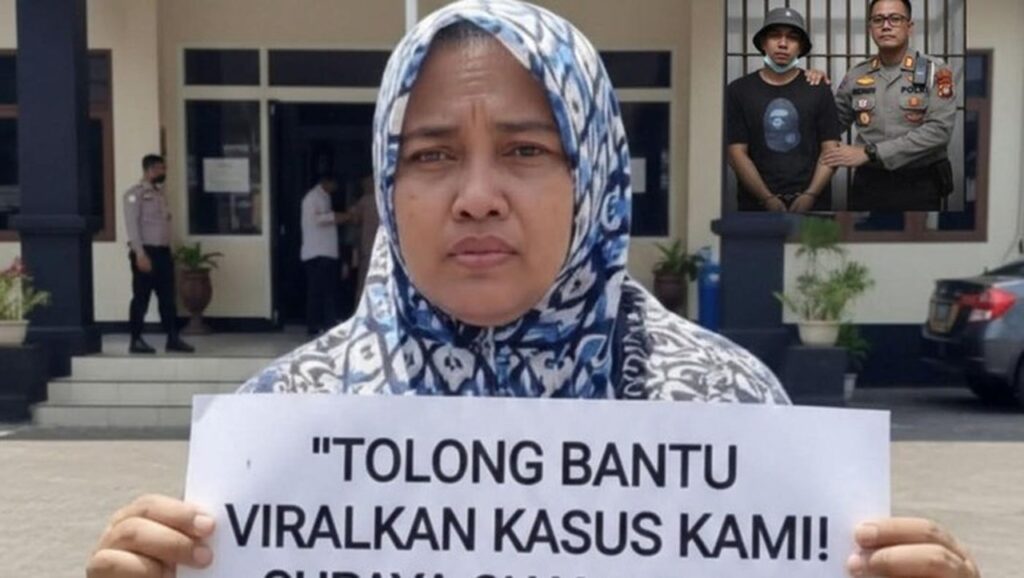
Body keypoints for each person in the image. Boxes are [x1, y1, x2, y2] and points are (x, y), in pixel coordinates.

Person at [86, 2, 980, 577]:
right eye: (431, 155)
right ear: (387, 185)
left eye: (524, 150)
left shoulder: (730, 413)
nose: (476, 195)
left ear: (593, 175)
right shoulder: (280, 435)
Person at [820, 0, 957, 211]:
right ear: (870, 28)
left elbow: (939, 131)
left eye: (895, 19)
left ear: (909, 27)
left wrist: (870, 152)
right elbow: (832, 123)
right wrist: (811, 85)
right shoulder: (857, 74)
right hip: (869, 183)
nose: (886, 26)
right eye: (878, 20)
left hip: (919, 183)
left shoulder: (935, 71)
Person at [726, 7, 840, 212]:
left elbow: (831, 150)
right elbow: (736, 153)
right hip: (755, 207)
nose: (783, 43)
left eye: (792, 37)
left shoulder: (818, 89)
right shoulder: (738, 90)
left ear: (801, 46)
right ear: (763, 42)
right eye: (774, 35)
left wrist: (810, 195)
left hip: (814, 207)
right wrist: (766, 198)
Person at [122, 154, 194, 354]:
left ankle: (172, 338)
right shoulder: (134, 194)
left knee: (168, 298)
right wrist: (140, 254)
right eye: (161, 168)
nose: (164, 172)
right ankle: (136, 340)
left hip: (163, 252)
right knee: (141, 298)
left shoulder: (160, 195)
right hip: (146, 252)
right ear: (150, 170)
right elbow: (132, 226)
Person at [300, 174, 345, 336]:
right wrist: (342, 217)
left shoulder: (324, 197)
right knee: (319, 291)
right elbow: (319, 219)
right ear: (326, 181)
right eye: (334, 183)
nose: (336, 187)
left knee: (326, 290)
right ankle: (315, 324)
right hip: (317, 252)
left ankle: (327, 322)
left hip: (325, 251)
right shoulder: (313, 197)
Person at [337, 173, 380, 300]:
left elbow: (355, 220)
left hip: (367, 247)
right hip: (381, 246)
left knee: (364, 280)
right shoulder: (382, 200)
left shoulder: (364, 201)